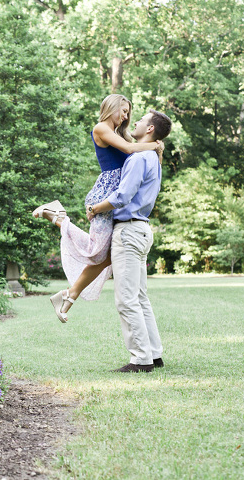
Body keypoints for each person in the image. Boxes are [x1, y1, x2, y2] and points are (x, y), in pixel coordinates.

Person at [32, 94, 163, 323]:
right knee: (96, 252)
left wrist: (154, 152)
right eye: (123, 111)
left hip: (116, 198)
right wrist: (156, 145)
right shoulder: (101, 128)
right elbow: (131, 149)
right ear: (111, 107)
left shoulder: (121, 133)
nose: (125, 116)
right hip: (105, 196)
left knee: (109, 255)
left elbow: (142, 164)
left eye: (128, 113)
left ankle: (69, 294)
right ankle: (56, 216)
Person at [86, 109, 172, 372]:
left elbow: (122, 195)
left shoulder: (138, 158)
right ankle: (154, 354)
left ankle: (140, 360)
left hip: (129, 231)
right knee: (140, 297)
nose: (135, 122)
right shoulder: (153, 158)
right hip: (142, 229)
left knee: (126, 299)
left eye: (141, 120)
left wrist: (95, 208)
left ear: (149, 130)